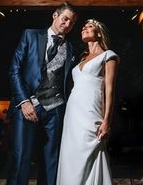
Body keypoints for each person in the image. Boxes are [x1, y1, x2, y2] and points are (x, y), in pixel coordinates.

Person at [7, 3, 78, 185]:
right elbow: (14, 70)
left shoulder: (70, 48)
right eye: (65, 18)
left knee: (50, 160)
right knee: (21, 157)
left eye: (71, 22)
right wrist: (24, 102)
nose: (67, 24)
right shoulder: (30, 35)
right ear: (55, 15)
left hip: (55, 109)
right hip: (27, 105)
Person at [56, 18, 119, 185]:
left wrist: (107, 121)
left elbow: (109, 90)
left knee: (91, 149)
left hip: (91, 111)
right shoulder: (80, 60)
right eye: (83, 27)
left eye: (89, 27)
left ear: (98, 33)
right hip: (72, 112)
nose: (84, 29)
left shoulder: (108, 55)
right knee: (71, 154)